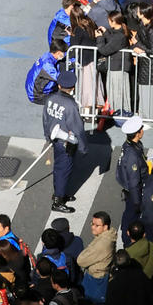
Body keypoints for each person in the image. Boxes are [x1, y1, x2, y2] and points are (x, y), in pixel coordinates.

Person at [42, 65, 86, 211]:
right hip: (67, 142)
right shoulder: (71, 105)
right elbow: (78, 128)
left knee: (60, 168)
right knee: (63, 170)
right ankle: (58, 201)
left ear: (59, 85)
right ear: (73, 87)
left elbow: (45, 119)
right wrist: (83, 147)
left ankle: (60, 193)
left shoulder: (50, 98)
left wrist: (47, 136)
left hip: (55, 139)